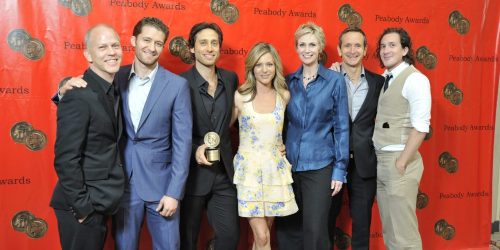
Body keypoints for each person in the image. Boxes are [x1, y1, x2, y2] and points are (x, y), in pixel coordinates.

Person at [56, 17, 193, 250]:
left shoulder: (176, 85)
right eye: (146, 40)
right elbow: (85, 98)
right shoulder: (114, 75)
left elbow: (183, 142)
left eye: (158, 43)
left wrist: (174, 192)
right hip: (121, 187)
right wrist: (62, 91)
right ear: (133, 41)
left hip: (161, 186)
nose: (151, 47)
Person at [275, 22, 350, 250]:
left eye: (312, 44)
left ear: (320, 48)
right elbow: (280, 122)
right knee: (288, 227)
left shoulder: (335, 81)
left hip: (320, 166)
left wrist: (340, 169)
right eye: (302, 44)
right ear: (296, 48)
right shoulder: (288, 82)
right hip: (289, 166)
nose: (307, 49)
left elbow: (341, 127)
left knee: (315, 230)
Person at [50, 24, 125, 250]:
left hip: (102, 201)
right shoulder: (78, 95)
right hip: (80, 207)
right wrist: (83, 208)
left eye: (115, 45)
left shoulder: (114, 87)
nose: (111, 52)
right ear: (88, 55)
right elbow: (65, 159)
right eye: (102, 47)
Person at [231, 42, 298, 250]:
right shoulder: (241, 96)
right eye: (259, 65)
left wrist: (285, 145)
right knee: (261, 236)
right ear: (251, 67)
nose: (264, 70)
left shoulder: (284, 97)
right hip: (249, 173)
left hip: (274, 172)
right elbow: (223, 131)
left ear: (276, 66)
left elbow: (290, 129)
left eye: (269, 64)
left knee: (265, 235)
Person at [179, 22, 240, 250]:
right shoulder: (179, 83)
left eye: (214, 43)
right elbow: (171, 131)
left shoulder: (231, 79)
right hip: (191, 176)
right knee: (187, 240)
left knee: (229, 238)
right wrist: (195, 148)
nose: (209, 48)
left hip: (224, 174)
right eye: (203, 43)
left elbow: (246, 113)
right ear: (192, 48)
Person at [373, 27, 431, 249]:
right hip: (382, 160)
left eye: (392, 45)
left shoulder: (416, 80)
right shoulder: (386, 78)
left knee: (404, 234)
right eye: (383, 46)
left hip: (399, 161)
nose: (386, 50)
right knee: (391, 229)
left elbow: (421, 127)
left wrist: (401, 162)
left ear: (405, 49)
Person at [328, 27, 384, 250]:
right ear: (340, 50)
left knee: (362, 227)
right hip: (330, 163)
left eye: (357, 45)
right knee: (324, 223)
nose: (352, 50)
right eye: (347, 45)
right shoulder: (327, 79)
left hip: (364, 164)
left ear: (365, 50)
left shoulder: (379, 83)